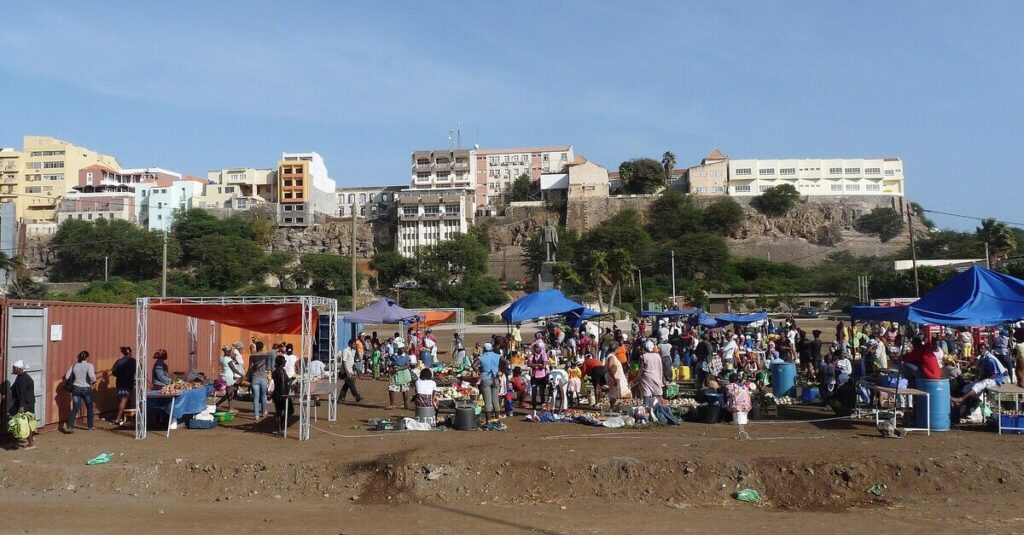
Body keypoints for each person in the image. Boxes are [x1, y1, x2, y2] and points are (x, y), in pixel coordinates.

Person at [64, 350, 97, 433]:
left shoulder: (74, 365)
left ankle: (70, 426)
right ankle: (90, 426)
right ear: (87, 357)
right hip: (86, 388)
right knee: (89, 407)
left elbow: (67, 377)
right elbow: (92, 377)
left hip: (76, 388)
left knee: (75, 408)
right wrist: (94, 381)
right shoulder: (89, 366)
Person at [8, 360, 36, 450]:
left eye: (14, 368)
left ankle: (31, 444)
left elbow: (22, 393)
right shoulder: (21, 376)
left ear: (19, 368)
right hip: (24, 402)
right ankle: (16, 442)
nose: (13, 369)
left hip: (25, 404)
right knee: (17, 422)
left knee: (25, 423)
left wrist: (21, 406)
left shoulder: (23, 379)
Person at [476, 342, 503, 423]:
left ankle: (488, 420)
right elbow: (506, 362)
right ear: (491, 348)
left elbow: (474, 365)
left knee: (487, 401)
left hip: (485, 379)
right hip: (495, 378)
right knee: (495, 400)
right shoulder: (497, 356)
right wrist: (501, 371)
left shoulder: (482, 357)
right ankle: (497, 419)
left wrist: (478, 372)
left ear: (484, 349)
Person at [111, 346, 136, 426]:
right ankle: (118, 419)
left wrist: (120, 375)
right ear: (130, 352)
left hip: (120, 383)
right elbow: (138, 370)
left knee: (124, 400)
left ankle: (126, 418)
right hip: (128, 383)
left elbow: (114, 372)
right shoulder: (133, 361)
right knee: (124, 400)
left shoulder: (119, 361)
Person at [636, 341, 665, 408]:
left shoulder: (643, 356)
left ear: (645, 348)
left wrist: (637, 378)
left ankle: (646, 408)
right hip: (656, 378)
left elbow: (640, 369)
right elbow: (660, 368)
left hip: (646, 378)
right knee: (656, 395)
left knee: (647, 394)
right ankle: (656, 410)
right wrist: (663, 380)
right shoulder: (658, 356)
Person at [216, 345, 244, 413]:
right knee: (229, 394)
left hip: (223, 376)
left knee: (230, 394)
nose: (231, 352)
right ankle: (217, 404)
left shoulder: (221, 358)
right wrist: (241, 374)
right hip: (229, 378)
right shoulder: (228, 359)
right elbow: (233, 368)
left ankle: (231, 408)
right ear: (227, 351)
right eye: (229, 351)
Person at [338, 339, 364, 404]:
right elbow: (344, 361)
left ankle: (341, 398)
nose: (355, 345)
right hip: (345, 371)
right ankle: (357, 396)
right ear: (350, 344)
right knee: (351, 383)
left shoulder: (351, 351)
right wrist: (347, 371)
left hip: (349, 370)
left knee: (346, 385)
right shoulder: (346, 351)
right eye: (354, 344)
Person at [247, 350, 270, 421]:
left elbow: (250, 367)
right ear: (262, 347)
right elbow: (268, 367)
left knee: (256, 397)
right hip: (263, 378)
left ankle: (256, 415)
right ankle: (264, 412)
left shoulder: (252, 356)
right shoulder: (266, 356)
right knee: (264, 395)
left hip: (255, 378)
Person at [528, 343, 549, 416]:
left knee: (541, 393)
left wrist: (534, 365)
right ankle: (534, 409)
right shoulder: (532, 355)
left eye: (538, 348)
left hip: (542, 377)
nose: (537, 349)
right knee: (534, 394)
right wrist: (537, 365)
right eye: (536, 348)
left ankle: (542, 409)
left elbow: (543, 366)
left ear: (540, 348)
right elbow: (529, 364)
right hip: (534, 376)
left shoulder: (544, 355)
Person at [271, 354, 289, 435]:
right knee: (284, 412)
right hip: (281, 394)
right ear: (282, 363)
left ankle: (278, 428)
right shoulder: (282, 372)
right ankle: (279, 428)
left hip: (276, 393)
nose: (285, 363)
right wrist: (283, 395)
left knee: (278, 412)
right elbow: (282, 383)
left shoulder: (274, 372)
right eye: (284, 361)